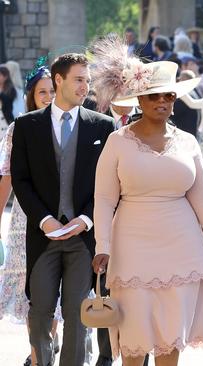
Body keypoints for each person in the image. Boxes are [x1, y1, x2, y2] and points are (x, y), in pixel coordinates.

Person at [89, 41, 203, 365]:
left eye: (168, 96)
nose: (162, 101)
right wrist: (102, 244)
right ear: (139, 100)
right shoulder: (117, 142)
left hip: (182, 251)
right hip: (130, 249)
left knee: (169, 346)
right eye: (154, 95)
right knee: (133, 345)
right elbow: (103, 198)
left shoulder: (188, 142)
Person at [11, 53, 116, 366]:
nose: (86, 86)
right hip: (43, 238)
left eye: (87, 80)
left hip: (83, 239)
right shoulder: (27, 126)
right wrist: (44, 221)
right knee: (40, 312)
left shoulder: (104, 126)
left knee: (77, 313)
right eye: (79, 79)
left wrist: (85, 219)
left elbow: (109, 184)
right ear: (59, 80)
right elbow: (21, 179)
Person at [0, 65, 61, 366]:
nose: (48, 97)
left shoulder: (70, 127)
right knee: (31, 292)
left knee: (55, 290)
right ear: (31, 96)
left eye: (53, 91)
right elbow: (7, 178)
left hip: (60, 219)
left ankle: (46, 349)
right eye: (42, 92)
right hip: (24, 221)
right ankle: (39, 355)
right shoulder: (18, 128)